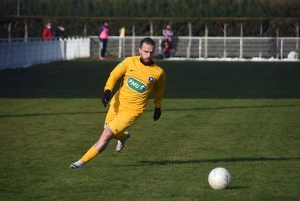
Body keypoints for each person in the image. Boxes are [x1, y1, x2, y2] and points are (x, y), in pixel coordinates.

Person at [70, 37, 166, 169]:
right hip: (117, 103)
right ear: (139, 50)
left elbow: (159, 90)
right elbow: (114, 75)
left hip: (133, 111)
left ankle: (81, 162)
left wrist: (158, 107)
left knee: (106, 135)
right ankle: (123, 137)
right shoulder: (129, 61)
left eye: (151, 52)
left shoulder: (158, 72)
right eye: (145, 51)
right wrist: (107, 91)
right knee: (107, 130)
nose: (148, 55)